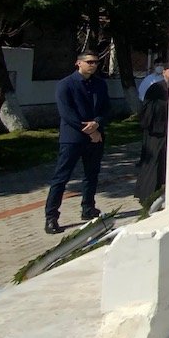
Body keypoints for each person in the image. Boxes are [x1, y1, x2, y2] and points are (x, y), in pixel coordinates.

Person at [44, 50, 112, 234]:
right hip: (73, 138)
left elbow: (106, 108)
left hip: (96, 137)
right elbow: (67, 113)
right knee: (61, 177)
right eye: (89, 62)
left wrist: (97, 123)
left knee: (91, 175)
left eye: (96, 62)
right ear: (78, 63)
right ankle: (51, 217)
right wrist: (90, 131)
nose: (93, 65)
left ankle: (88, 208)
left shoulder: (100, 84)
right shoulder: (66, 84)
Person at [134, 67, 169, 206]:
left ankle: (159, 190)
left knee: (162, 162)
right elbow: (150, 108)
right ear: (165, 72)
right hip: (156, 130)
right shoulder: (156, 87)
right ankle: (147, 194)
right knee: (153, 162)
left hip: (165, 130)